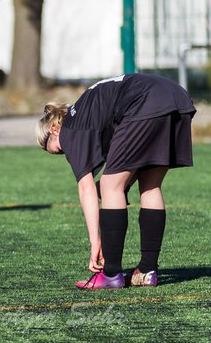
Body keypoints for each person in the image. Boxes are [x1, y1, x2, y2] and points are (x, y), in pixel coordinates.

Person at [37, 72, 195, 289]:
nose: (62, 153)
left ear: (54, 129)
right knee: (150, 185)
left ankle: (111, 273)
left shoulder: (70, 130)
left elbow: (86, 189)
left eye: (55, 149)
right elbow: (131, 167)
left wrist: (96, 242)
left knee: (111, 186)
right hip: (176, 97)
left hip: (145, 103)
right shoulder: (87, 115)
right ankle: (147, 270)